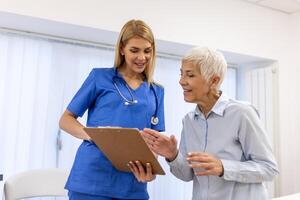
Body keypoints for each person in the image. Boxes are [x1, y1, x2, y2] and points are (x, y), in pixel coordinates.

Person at [141, 47, 279, 200]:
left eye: (190, 75)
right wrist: (172, 155)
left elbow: (269, 169)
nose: (181, 81)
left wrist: (223, 167)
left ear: (214, 80)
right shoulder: (189, 121)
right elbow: (187, 174)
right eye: (181, 73)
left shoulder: (241, 113)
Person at [59, 19, 165, 200]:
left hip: (133, 185)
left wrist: (151, 169)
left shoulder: (156, 91)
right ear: (122, 49)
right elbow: (66, 120)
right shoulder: (99, 78)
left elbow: (154, 141)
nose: (142, 57)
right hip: (91, 180)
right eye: (134, 50)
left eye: (147, 51)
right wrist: (94, 135)